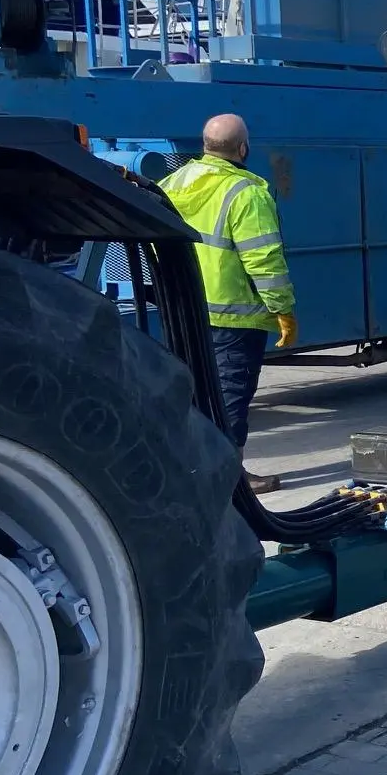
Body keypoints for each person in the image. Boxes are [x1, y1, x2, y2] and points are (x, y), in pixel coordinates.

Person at [160, 115, 298, 494]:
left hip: (185, 313)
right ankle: (231, 481)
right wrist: (282, 308)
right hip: (235, 319)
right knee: (230, 395)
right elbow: (263, 260)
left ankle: (193, 470)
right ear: (243, 148)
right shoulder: (246, 193)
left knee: (193, 395)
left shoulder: (171, 183)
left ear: (205, 144)